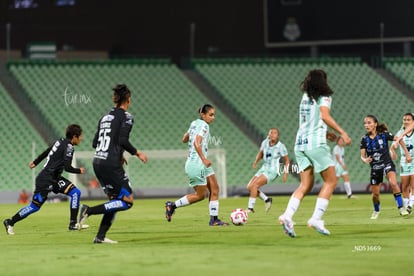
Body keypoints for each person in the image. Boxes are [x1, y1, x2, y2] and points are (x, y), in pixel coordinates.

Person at [278, 69, 351, 238]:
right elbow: (325, 116)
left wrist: (326, 133)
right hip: (315, 145)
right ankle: (316, 218)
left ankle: (287, 216)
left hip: (300, 144)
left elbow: (309, 123)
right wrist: (342, 132)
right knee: (331, 181)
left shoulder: (305, 98)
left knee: (306, 185)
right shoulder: (324, 97)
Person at [78, 84, 147, 244]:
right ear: (128, 100)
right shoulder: (127, 117)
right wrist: (137, 153)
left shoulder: (104, 117)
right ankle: (89, 210)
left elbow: (95, 142)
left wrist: (119, 153)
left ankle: (100, 237)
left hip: (98, 161)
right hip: (110, 163)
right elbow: (122, 140)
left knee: (114, 201)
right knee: (127, 201)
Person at [3, 124, 86, 235]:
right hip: (46, 180)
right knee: (34, 207)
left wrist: (36, 162)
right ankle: (10, 222)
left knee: (75, 192)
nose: (82, 138)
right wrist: (79, 171)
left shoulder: (60, 141)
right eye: (80, 136)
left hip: (53, 178)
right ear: (74, 136)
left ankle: (73, 224)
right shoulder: (69, 147)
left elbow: (48, 151)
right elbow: (67, 167)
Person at [165, 104, 229, 226]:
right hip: (197, 164)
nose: (213, 117)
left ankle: (214, 220)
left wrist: (191, 136)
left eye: (214, 115)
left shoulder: (194, 123)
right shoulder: (204, 126)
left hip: (199, 163)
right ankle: (172, 205)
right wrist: (204, 159)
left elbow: (184, 139)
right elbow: (196, 142)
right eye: (210, 115)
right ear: (203, 115)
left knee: (215, 188)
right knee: (200, 195)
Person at [360, 115, 410, 219]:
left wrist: (407, 153)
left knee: (393, 183)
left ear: (375, 124)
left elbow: (399, 139)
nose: (366, 125)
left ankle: (401, 208)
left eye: (369, 123)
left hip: (387, 163)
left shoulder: (384, 135)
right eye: (365, 123)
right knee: (375, 195)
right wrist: (365, 160)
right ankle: (376, 210)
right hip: (375, 168)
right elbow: (362, 156)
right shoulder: (364, 139)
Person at [246, 128, 289, 213]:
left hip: (272, 170)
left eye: (275, 133)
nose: (272, 134)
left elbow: (287, 160)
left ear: (278, 136)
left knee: (254, 186)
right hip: (264, 168)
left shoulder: (281, 146)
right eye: (271, 133)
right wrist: (256, 161)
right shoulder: (265, 142)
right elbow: (261, 153)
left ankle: (250, 208)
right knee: (249, 187)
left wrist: (285, 173)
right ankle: (267, 199)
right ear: (268, 135)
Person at [390, 113, 414, 214]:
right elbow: (391, 148)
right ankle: (406, 205)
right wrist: (393, 152)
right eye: (404, 119)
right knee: (405, 186)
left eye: (408, 120)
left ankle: (410, 205)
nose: (405, 121)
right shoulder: (399, 133)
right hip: (404, 162)